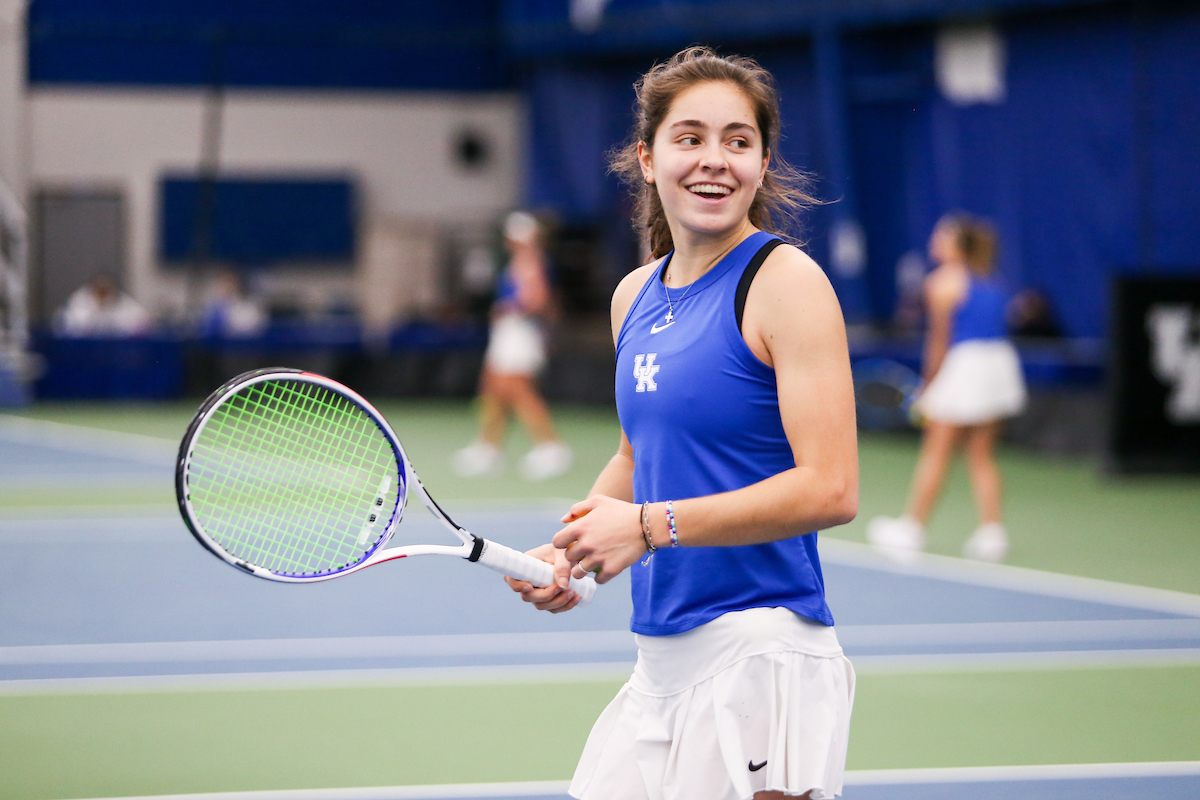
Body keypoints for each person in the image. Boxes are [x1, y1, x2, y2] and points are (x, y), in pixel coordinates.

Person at [504, 48, 858, 800]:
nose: (715, 160)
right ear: (648, 156)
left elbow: (831, 489)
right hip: (660, 659)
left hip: (764, 652)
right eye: (690, 137)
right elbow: (638, 452)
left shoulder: (785, 282)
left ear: (763, 163)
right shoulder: (634, 296)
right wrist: (574, 550)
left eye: (738, 141)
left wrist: (648, 526)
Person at [867, 213, 1027, 563]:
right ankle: (993, 533)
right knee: (981, 454)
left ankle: (912, 529)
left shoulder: (941, 282)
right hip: (998, 366)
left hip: (966, 366)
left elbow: (939, 342)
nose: (934, 241)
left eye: (942, 236)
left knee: (936, 451)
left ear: (956, 244)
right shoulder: (991, 279)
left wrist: (928, 385)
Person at [453, 211, 573, 480]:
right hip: (510, 333)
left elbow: (538, 300)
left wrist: (509, 308)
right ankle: (488, 448)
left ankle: (551, 447)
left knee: (519, 390)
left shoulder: (530, 262)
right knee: (492, 389)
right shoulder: (521, 261)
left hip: (519, 334)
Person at [55, 274, 152, 336]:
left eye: (106, 289)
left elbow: (143, 321)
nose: (103, 293)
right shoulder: (79, 301)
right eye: (100, 289)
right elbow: (64, 325)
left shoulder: (122, 301)